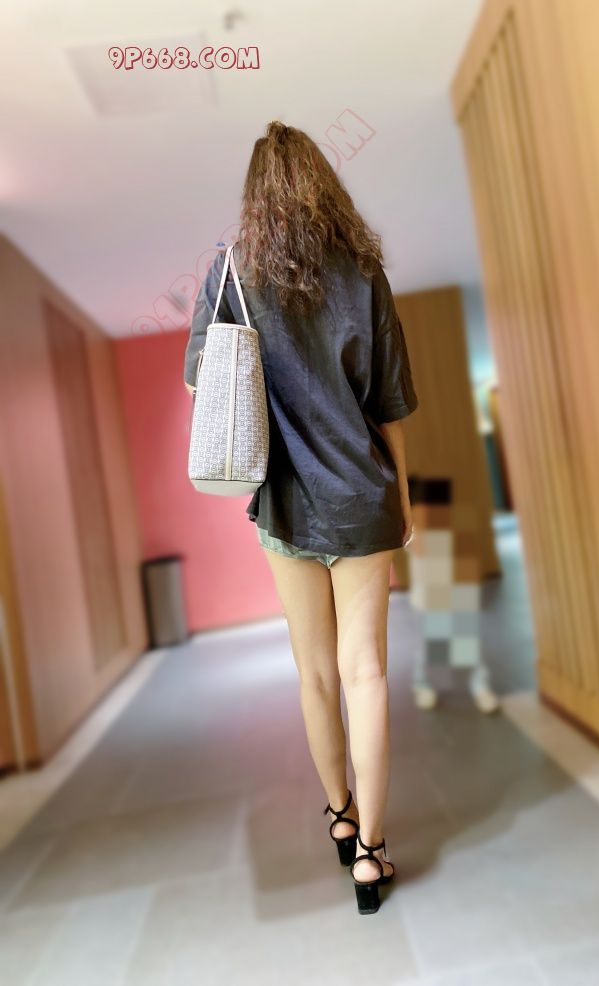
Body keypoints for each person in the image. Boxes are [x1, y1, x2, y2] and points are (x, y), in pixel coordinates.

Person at [183, 120, 419, 915]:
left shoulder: (230, 273)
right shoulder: (363, 273)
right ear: (323, 185)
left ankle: (342, 818)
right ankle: (373, 856)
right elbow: (390, 404)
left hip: (283, 502)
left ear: (256, 195)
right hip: (361, 499)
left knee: (315, 674)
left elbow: (200, 384)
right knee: (367, 673)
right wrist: (402, 499)